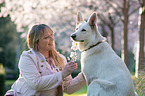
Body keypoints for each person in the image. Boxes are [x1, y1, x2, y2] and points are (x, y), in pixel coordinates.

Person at [5, 24, 86, 96]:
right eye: (46, 37)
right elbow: (36, 84)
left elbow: (68, 88)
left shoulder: (60, 59)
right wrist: (62, 74)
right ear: (36, 42)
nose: (51, 38)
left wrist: (85, 75)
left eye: (51, 35)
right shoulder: (27, 57)